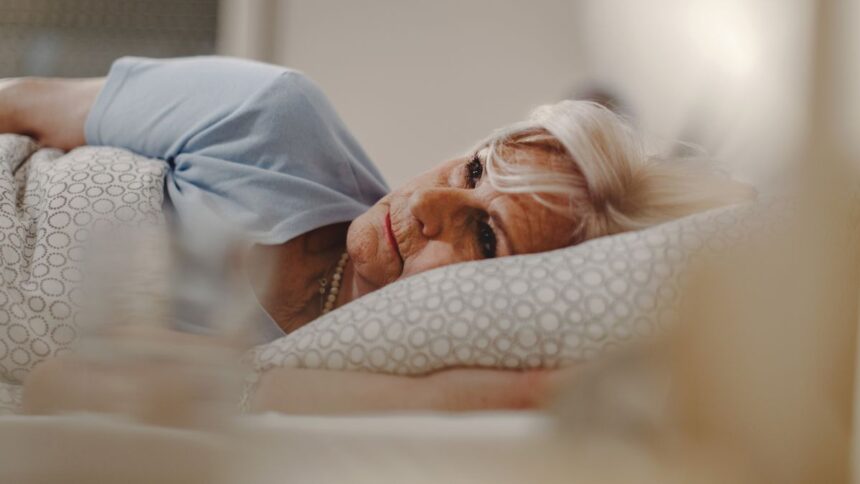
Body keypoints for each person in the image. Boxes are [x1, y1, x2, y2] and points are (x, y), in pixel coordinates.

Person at [1, 57, 751, 414]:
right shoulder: (273, 118)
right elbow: (24, 102)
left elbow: (56, 390)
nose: (426, 204)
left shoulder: (358, 363)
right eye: (471, 169)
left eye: (485, 237)